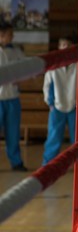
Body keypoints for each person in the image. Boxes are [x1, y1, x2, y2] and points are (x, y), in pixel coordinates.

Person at [42, 35, 78, 165]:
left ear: (73, 47)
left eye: (68, 45)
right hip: (57, 107)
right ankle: (48, 165)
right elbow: (47, 85)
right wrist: (50, 103)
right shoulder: (53, 65)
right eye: (63, 45)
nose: (65, 47)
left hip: (75, 106)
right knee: (53, 137)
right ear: (58, 47)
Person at [0, 22, 27, 171]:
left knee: (13, 133)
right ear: (1, 35)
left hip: (12, 98)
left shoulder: (17, 52)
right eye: (9, 34)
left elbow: (26, 69)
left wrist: (20, 78)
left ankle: (16, 162)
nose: (12, 36)